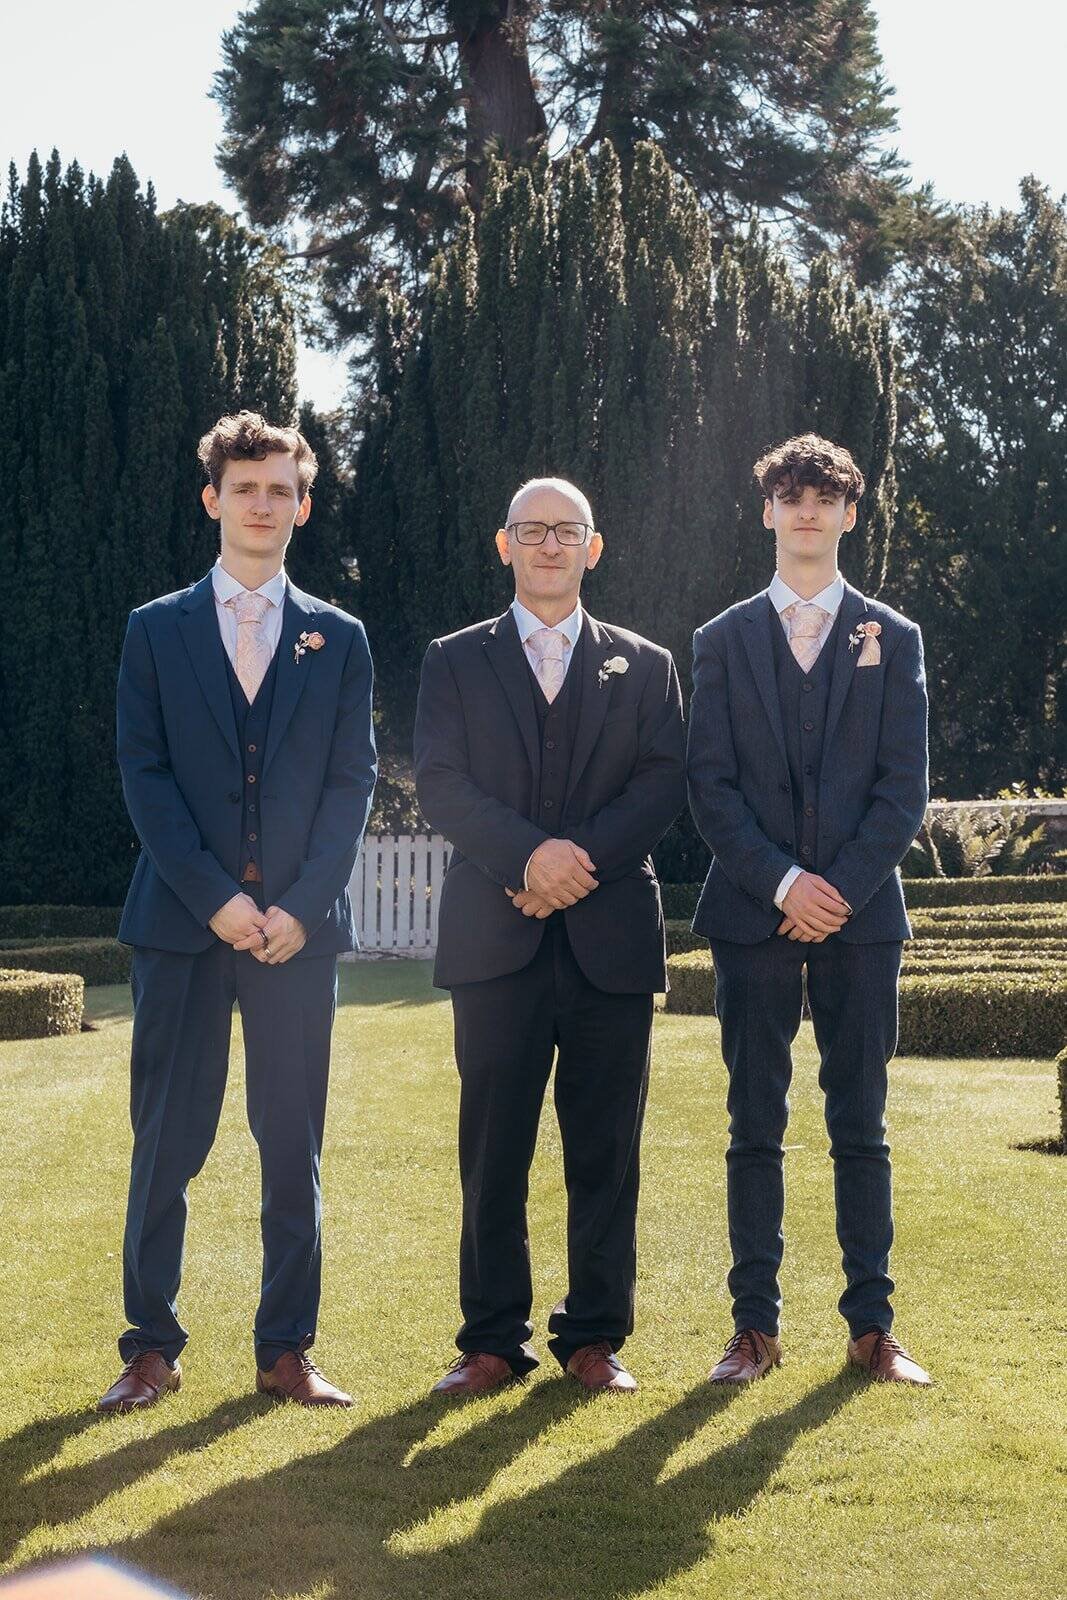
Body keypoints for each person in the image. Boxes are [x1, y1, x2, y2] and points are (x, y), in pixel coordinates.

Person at [99, 411, 376, 1414]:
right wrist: (216, 899)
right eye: (245, 487)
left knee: (290, 1141)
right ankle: (149, 1346)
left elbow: (353, 783)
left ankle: (285, 1350)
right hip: (179, 929)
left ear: (302, 506)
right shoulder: (153, 629)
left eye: (281, 490)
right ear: (213, 498)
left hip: (299, 941)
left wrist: (303, 907)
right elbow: (147, 776)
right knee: (166, 1138)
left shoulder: (337, 638)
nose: (263, 504)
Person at [414, 477, 685, 1394]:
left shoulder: (646, 665)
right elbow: (443, 784)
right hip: (496, 939)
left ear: (592, 548)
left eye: (565, 531)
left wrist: (574, 868)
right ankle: (490, 1339)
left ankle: (593, 1339)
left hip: (609, 943)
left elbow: (658, 786)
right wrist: (528, 861)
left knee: (606, 1150)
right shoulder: (453, 661)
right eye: (530, 530)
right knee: (493, 1149)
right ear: (503, 545)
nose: (547, 545)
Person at [687, 433, 933, 1387]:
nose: (804, 511)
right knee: (753, 1123)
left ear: (848, 513)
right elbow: (710, 787)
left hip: (863, 921)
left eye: (821, 497)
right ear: (766, 512)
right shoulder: (720, 639)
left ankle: (872, 1328)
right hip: (752, 918)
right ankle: (754, 1329)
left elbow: (901, 789)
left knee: (859, 1125)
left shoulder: (894, 635)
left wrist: (835, 893)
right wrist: (783, 885)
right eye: (788, 496)